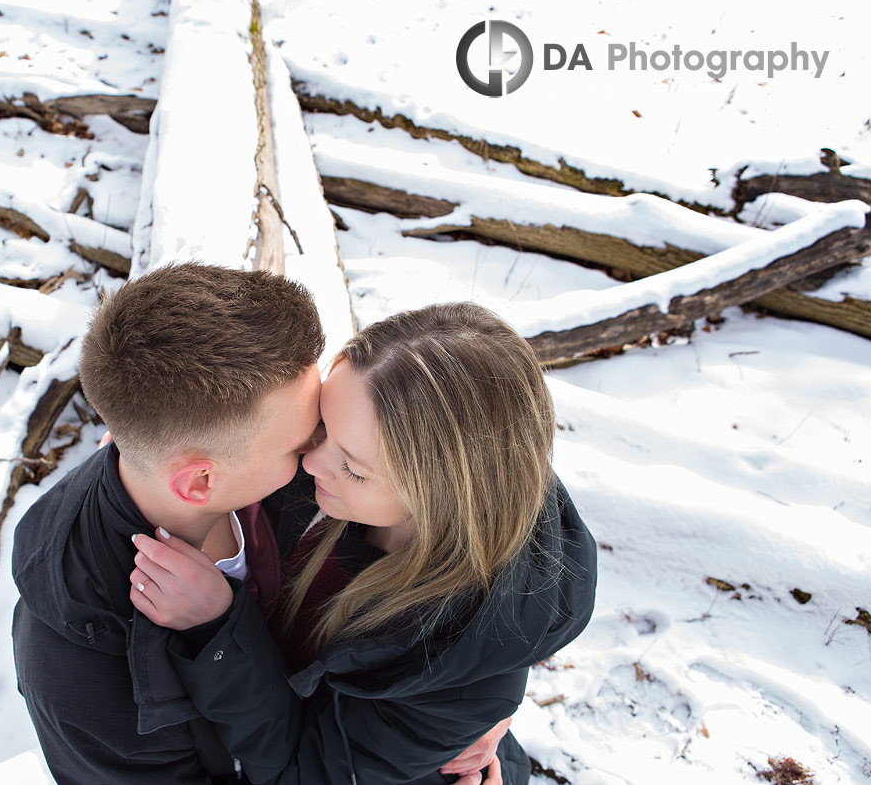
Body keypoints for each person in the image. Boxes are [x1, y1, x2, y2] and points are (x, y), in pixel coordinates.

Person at [129, 302, 599, 784]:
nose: (311, 463)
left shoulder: (451, 661)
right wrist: (163, 441)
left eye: (353, 467)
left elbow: (306, 773)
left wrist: (215, 632)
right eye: (321, 427)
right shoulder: (366, 455)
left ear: (444, 494)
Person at [10, 262, 326, 783]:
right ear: (200, 483)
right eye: (302, 443)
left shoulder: (284, 467)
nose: (324, 448)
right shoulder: (79, 668)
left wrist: (461, 715)